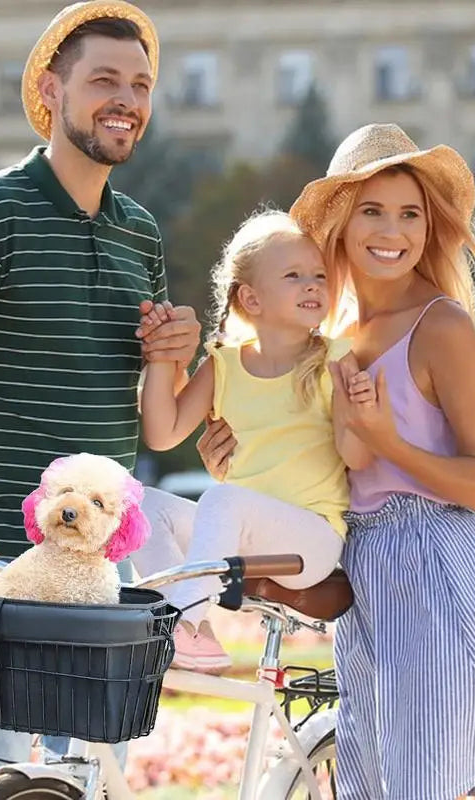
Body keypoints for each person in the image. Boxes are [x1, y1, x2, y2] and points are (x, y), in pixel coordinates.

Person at [0, 3, 200, 798]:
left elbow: (158, 420)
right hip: (5, 574)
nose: (126, 99)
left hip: (104, 578)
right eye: (104, 80)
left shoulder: (140, 232)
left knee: (90, 784)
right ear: (52, 90)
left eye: (141, 85)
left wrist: (177, 357)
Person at [201, 123, 475, 799]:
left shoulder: (439, 325)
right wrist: (229, 467)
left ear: (429, 227)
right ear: (341, 223)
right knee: (378, 777)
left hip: (438, 568)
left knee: (429, 779)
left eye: (410, 213)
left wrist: (386, 438)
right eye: (373, 210)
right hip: (368, 575)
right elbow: (315, 466)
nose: (394, 230)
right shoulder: (333, 339)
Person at [133, 210, 376, 673]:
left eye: (320, 276)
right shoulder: (223, 364)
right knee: (139, 505)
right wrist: (163, 356)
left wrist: (359, 409)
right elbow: (163, 434)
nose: (312, 285)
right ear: (251, 298)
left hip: (310, 540)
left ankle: (178, 621)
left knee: (224, 500)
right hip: (240, 535)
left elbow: (357, 455)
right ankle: (195, 634)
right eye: (294, 276)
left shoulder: (336, 358)